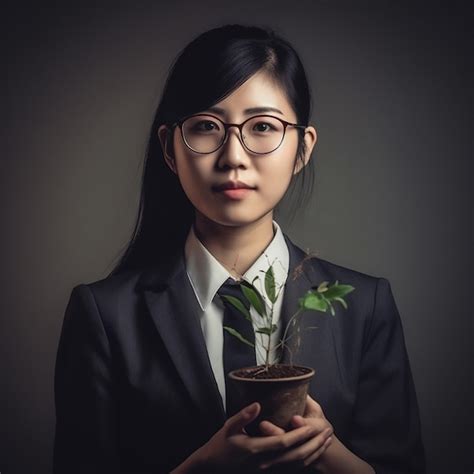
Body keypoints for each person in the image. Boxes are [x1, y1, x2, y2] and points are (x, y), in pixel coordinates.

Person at [53, 24, 426, 474]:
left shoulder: (364, 307)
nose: (234, 155)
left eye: (264, 126)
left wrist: (327, 451)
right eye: (207, 126)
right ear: (170, 149)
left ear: (302, 149)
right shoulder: (104, 316)